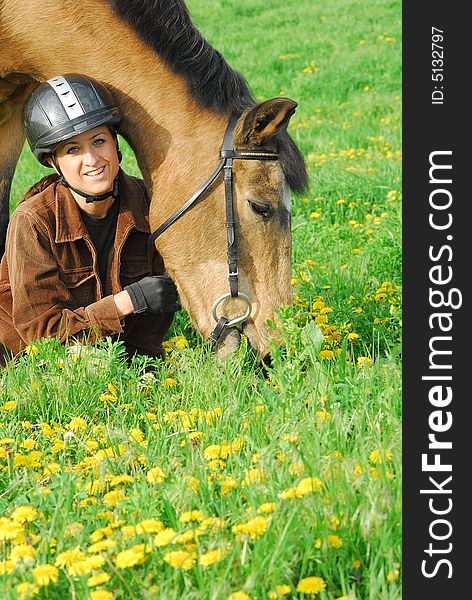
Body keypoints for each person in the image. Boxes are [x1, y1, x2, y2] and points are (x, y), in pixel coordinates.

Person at [0, 73, 179, 366]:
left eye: (98, 141)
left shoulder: (149, 204)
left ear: (115, 143)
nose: (92, 160)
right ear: (53, 163)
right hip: (31, 361)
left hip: (116, 364)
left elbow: (152, 328)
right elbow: (41, 335)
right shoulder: (33, 222)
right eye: (73, 150)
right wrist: (127, 301)